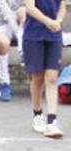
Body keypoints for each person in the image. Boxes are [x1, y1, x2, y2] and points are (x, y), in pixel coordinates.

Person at [22, 0, 66, 137]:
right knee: (38, 77)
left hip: (54, 36)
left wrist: (58, 21)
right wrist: (48, 22)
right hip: (34, 35)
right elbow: (29, 7)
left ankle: (52, 120)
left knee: (52, 77)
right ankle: (37, 113)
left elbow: (62, 6)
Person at [0, 0, 26, 100]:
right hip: (0, 25)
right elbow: (5, 13)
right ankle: (4, 83)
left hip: (23, 27)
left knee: (23, 10)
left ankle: (40, 81)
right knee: (4, 43)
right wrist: (18, 33)